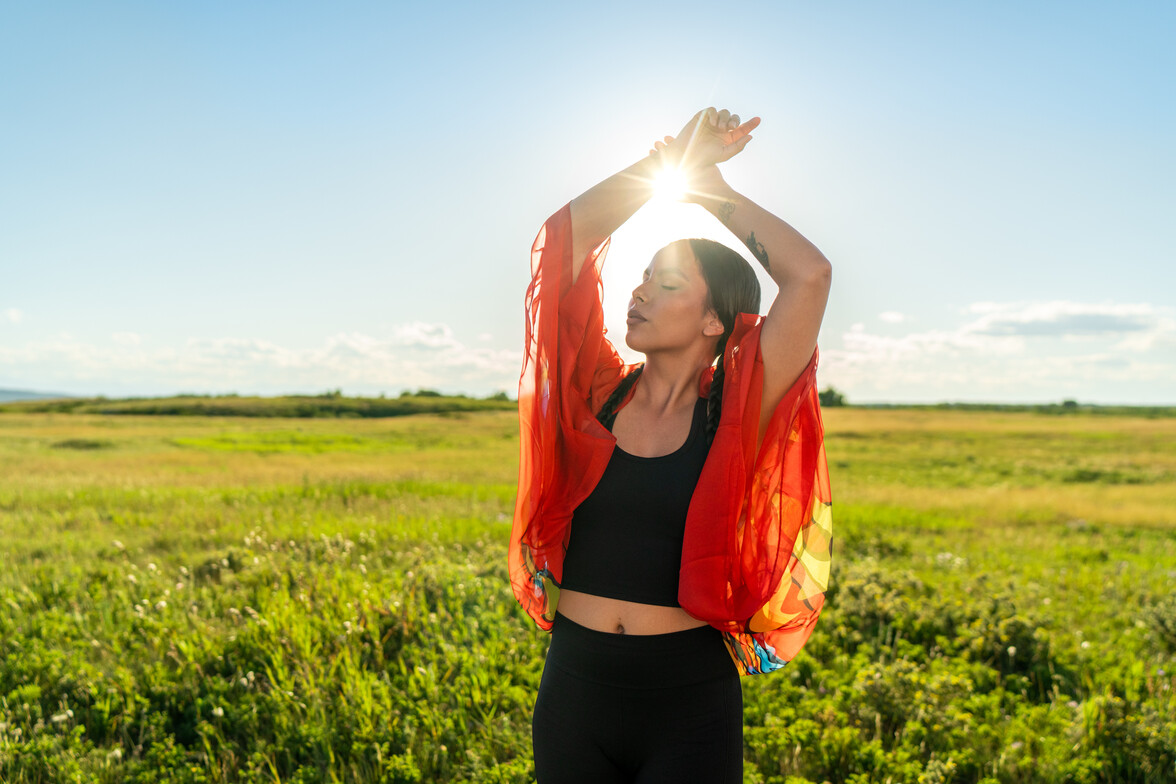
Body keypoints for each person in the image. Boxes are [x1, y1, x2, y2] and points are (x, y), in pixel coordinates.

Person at [510, 108, 834, 782]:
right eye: (643, 277)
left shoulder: (740, 412)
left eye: (669, 283)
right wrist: (669, 166)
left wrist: (709, 184)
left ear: (716, 319)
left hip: (688, 703)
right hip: (574, 692)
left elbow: (810, 276)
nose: (640, 291)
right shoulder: (594, 393)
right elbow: (563, 240)